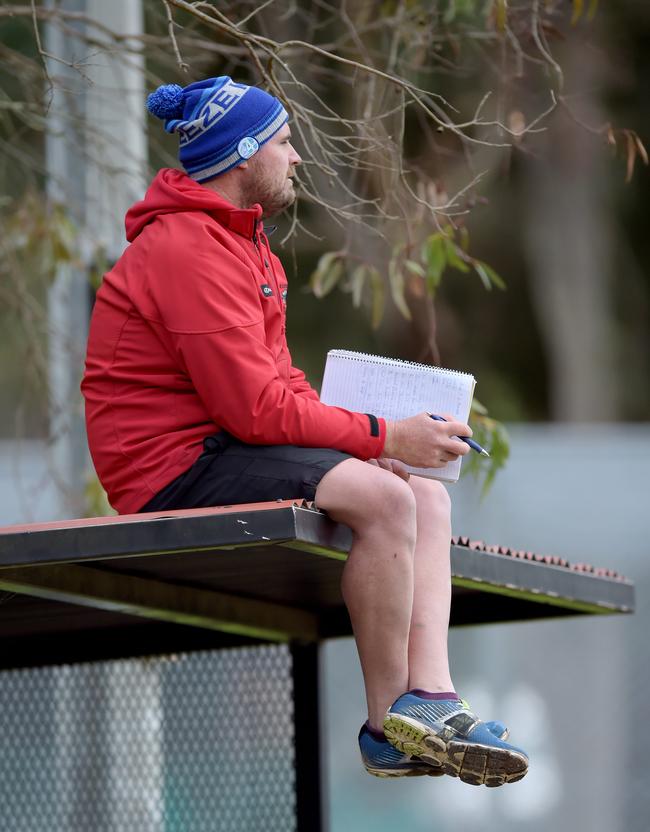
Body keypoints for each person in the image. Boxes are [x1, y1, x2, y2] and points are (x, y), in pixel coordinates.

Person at [81, 76, 528, 787]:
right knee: (386, 499)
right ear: (243, 153)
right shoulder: (187, 249)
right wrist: (383, 434)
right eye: (284, 143)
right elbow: (254, 410)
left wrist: (374, 448)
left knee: (424, 496)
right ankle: (389, 727)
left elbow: (280, 384)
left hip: (223, 445)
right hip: (172, 469)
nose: (296, 158)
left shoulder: (242, 241)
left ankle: (434, 699)